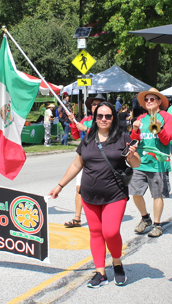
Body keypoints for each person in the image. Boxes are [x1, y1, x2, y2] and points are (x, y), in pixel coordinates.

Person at [49, 101, 141, 288]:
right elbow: (77, 164)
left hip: (115, 194)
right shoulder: (89, 138)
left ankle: (116, 262)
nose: (104, 119)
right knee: (96, 233)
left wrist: (131, 155)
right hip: (89, 194)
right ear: (95, 118)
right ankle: (100, 272)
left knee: (111, 231)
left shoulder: (122, 137)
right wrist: (60, 185)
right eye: (100, 116)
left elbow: (136, 163)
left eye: (108, 116)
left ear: (113, 118)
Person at [129, 88, 172, 237]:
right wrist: (135, 130)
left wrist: (159, 129)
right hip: (141, 162)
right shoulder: (142, 118)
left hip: (158, 162)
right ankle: (145, 218)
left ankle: (157, 224)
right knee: (135, 192)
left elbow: (166, 140)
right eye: (146, 100)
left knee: (157, 195)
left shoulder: (166, 117)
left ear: (159, 101)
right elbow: (134, 139)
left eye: (152, 99)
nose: (148, 102)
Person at [65, 94, 105, 228]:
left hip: (101, 159)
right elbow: (76, 136)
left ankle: (102, 216)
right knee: (79, 188)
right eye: (94, 104)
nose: (96, 106)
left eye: (99, 104)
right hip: (85, 157)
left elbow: (105, 136)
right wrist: (73, 123)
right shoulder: (86, 119)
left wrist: (87, 130)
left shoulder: (106, 120)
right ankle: (77, 218)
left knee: (100, 188)